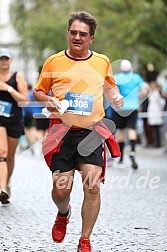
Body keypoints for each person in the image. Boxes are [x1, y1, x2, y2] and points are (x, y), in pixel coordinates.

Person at [33, 11, 124, 252]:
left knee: (92, 186)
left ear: (91, 38)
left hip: (92, 132)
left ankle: (85, 239)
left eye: (83, 34)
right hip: (62, 133)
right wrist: (48, 100)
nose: (77, 37)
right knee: (61, 189)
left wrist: (116, 97)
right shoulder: (53, 61)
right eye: (73, 32)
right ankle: (63, 213)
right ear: (67, 34)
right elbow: (38, 92)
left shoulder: (102, 61)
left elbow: (110, 88)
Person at [0, 48, 28, 204]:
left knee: (10, 156)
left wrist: (8, 89)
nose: (3, 61)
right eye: (1, 58)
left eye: (6, 58)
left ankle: (7, 183)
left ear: (10, 61)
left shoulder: (17, 77)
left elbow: (24, 101)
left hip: (14, 120)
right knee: (2, 153)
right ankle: (2, 188)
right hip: (0, 120)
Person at [112, 59, 148, 169]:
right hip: (133, 107)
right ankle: (132, 151)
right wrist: (138, 97)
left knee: (121, 131)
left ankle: (121, 159)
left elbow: (114, 91)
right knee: (132, 129)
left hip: (120, 108)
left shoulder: (117, 77)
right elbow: (144, 91)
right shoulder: (136, 77)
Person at [147, 81, 165, 147]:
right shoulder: (150, 93)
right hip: (152, 111)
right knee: (153, 129)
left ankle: (158, 143)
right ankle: (155, 142)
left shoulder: (156, 93)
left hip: (156, 111)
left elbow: (160, 102)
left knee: (157, 129)